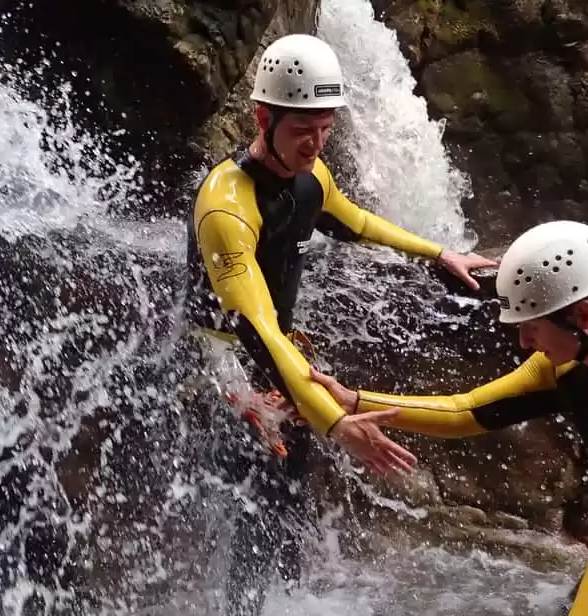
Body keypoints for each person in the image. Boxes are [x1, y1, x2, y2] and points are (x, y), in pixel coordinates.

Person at [182, 33, 496, 614]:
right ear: (263, 116)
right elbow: (255, 328)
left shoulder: (310, 175)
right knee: (261, 477)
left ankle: (287, 597)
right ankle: (240, 605)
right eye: (304, 129)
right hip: (218, 354)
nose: (317, 143)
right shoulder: (228, 206)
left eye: (326, 128)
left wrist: (439, 253)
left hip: (271, 346)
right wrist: (335, 422)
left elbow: (355, 221)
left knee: (291, 483)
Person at [310, 220, 588, 615]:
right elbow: (465, 411)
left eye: (532, 327)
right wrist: (353, 402)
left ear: (582, 315)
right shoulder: (563, 367)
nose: (525, 343)